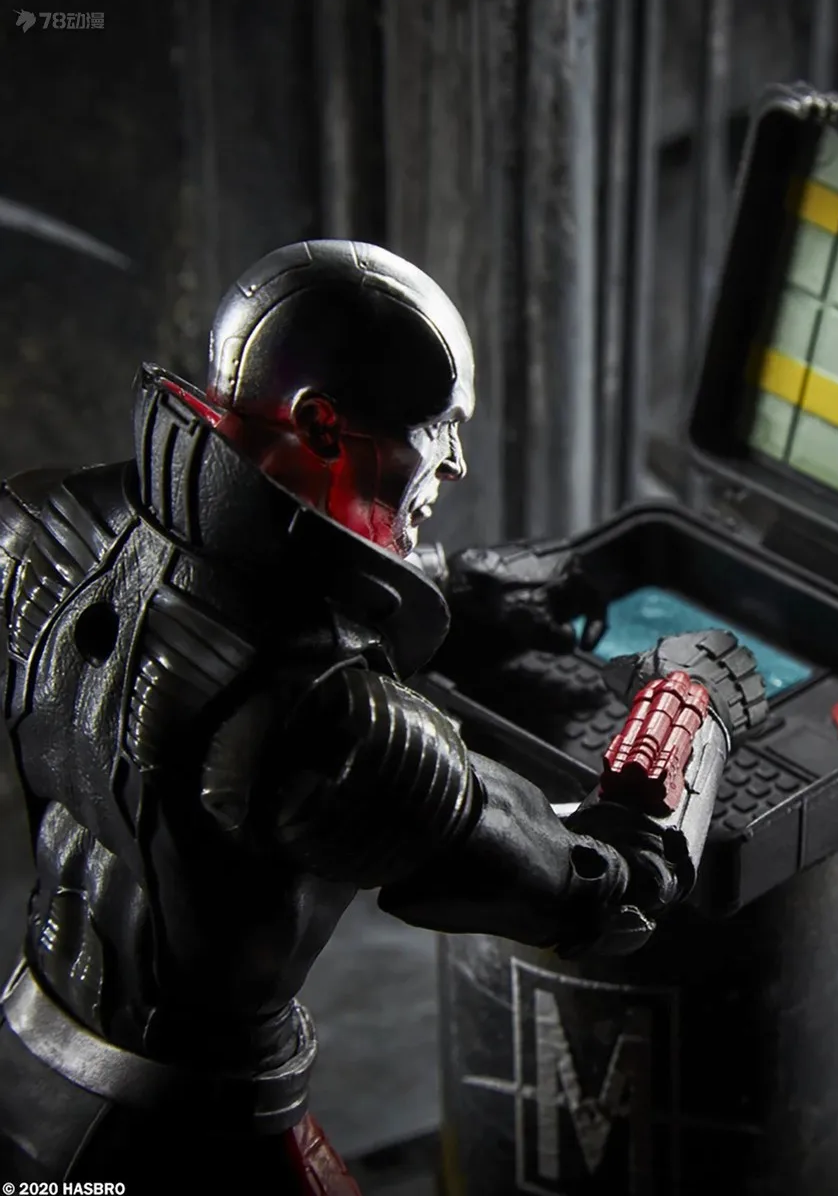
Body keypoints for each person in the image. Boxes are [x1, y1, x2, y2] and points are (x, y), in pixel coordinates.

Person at [0, 240, 765, 1192]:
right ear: (322, 425)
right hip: (190, 1139)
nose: (455, 463)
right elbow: (616, 893)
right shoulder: (335, 725)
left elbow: (223, 581)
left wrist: (464, 587)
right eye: (435, 430)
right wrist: (690, 706)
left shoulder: (37, 525)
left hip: (26, 1059)